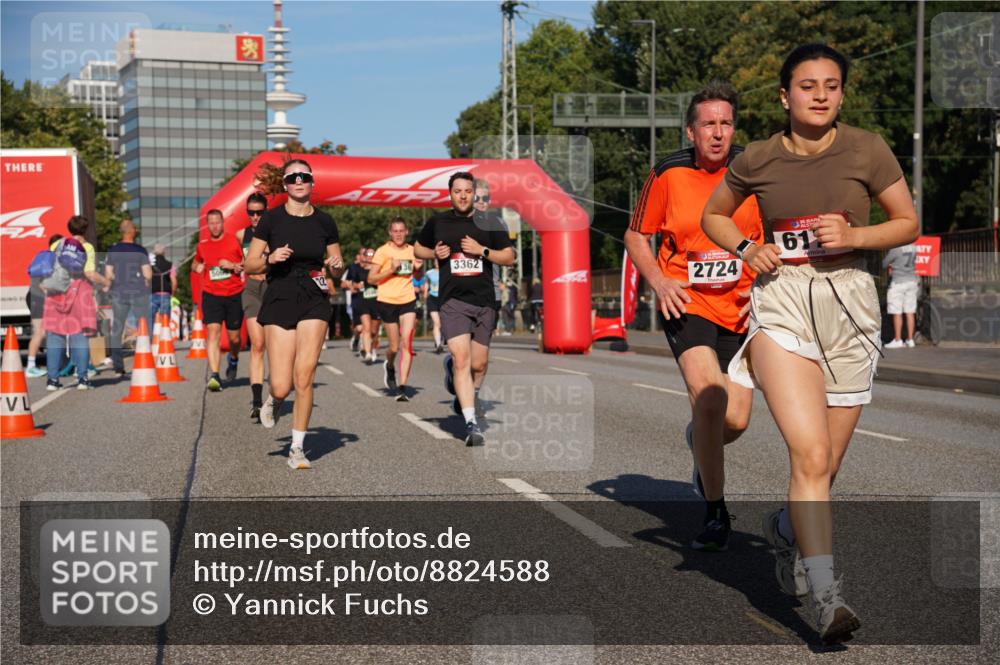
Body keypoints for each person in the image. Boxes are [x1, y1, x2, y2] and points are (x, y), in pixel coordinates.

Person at [701, 44, 918, 644]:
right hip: (782, 299)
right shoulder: (759, 157)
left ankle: (786, 528)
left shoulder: (867, 148)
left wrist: (857, 233)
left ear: (842, 93)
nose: (820, 94)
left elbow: (907, 221)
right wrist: (747, 249)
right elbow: (714, 217)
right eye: (807, 85)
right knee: (812, 458)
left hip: (850, 300)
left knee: (828, 463)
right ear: (784, 95)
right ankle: (826, 597)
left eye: (831, 85)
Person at [625, 80, 762, 553]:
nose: (719, 133)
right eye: (709, 124)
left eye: (726, 123)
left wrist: (764, 285)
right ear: (691, 131)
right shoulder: (668, 173)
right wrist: (660, 283)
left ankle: (699, 443)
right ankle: (715, 509)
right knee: (709, 399)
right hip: (687, 300)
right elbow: (636, 235)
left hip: (743, 306)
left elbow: (777, 234)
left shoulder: (753, 171)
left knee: (736, 420)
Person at [244, 159, 344, 470]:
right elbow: (250, 264)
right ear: (285, 184)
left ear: (312, 182)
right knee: (281, 385)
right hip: (280, 296)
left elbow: (337, 259)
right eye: (293, 177)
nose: (299, 181)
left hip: (314, 296)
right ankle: (273, 400)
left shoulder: (325, 222)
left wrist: (338, 266)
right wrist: (271, 257)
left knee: (305, 375)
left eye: (304, 177)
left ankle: (297, 448)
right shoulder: (271, 221)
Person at [414, 172, 514, 445]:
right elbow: (418, 249)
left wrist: (482, 251)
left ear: (473, 193)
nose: (462, 195)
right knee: (462, 359)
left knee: (479, 365)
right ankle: (471, 423)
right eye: (457, 191)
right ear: (450, 193)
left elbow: (509, 257)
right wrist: (435, 253)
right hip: (452, 301)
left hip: (484, 301)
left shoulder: (491, 221)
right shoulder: (438, 222)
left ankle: (469, 392)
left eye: (467, 191)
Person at [43, 216, 109, 390]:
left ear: (69, 229)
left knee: (55, 337)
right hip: (79, 293)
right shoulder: (87, 247)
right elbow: (89, 273)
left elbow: (47, 268)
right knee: (79, 336)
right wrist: (106, 282)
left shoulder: (56, 245)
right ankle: (82, 379)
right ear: (86, 230)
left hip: (56, 293)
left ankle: (52, 380)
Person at [192, 209, 245, 391]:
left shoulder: (233, 240)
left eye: (217, 222)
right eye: (211, 223)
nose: (214, 226)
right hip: (211, 294)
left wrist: (232, 266)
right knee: (213, 332)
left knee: (235, 338)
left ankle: (234, 358)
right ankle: (215, 375)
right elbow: (195, 262)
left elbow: (247, 263)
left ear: (223, 223)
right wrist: (197, 267)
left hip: (233, 293)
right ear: (207, 225)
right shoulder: (202, 245)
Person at [368, 218, 418, 401]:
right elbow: (371, 279)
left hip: (408, 299)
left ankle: (402, 386)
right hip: (387, 300)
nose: (398, 234)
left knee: (407, 344)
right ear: (390, 233)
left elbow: (416, 273)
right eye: (395, 231)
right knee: (394, 347)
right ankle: (389, 365)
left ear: (407, 232)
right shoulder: (383, 251)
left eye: (401, 231)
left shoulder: (413, 251)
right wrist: (390, 269)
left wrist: (418, 269)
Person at [105, 219, 152, 378]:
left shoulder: (113, 250)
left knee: (117, 330)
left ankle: (118, 367)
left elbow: (109, 274)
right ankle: (146, 361)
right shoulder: (140, 250)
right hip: (138, 292)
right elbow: (148, 274)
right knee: (143, 327)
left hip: (119, 292)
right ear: (131, 231)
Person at [238, 192, 269, 421]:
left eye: (260, 212)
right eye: (252, 212)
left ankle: (276, 392)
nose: (256, 216)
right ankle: (257, 402)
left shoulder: (275, 233)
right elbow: (232, 258)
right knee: (257, 345)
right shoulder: (242, 235)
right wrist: (233, 264)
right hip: (251, 290)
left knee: (274, 346)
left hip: (273, 289)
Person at [25, 234, 63, 378]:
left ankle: (55, 363)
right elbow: (44, 284)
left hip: (33, 296)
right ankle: (31, 366)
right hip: (39, 298)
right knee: (39, 332)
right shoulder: (53, 259)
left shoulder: (43, 257)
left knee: (47, 331)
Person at [882, 243, 918, 348]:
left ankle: (898, 339)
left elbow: (884, 263)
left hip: (898, 281)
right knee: (910, 312)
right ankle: (910, 340)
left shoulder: (896, 249)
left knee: (896, 311)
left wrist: (891, 265)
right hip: (912, 280)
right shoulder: (914, 248)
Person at [150, 243, 177, 327]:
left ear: (154, 252)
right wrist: (172, 293)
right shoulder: (170, 265)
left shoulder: (149, 266)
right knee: (165, 319)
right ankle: (164, 337)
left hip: (152, 294)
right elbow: (174, 281)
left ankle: (151, 338)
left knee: (150, 319)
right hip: (165, 294)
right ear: (164, 252)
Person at [425, 260, 443, 353]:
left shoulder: (446, 271)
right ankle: (438, 344)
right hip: (432, 298)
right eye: (435, 261)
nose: (437, 262)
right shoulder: (429, 273)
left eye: (438, 261)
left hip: (443, 299)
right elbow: (427, 283)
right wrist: (425, 293)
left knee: (443, 323)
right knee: (437, 323)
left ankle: (439, 339)